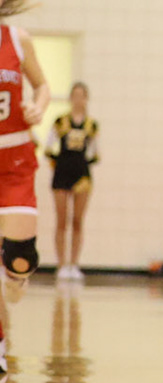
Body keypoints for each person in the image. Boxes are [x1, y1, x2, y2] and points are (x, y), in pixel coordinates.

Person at [0, 0, 51, 376]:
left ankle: (15, 279)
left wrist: (38, 105)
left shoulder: (18, 39)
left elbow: (43, 85)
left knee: (20, 260)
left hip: (15, 159)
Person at [45, 82, 98, 282]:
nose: (78, 99)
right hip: (62, 173)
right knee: (61, 220)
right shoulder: (61, 121)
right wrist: (59, 163)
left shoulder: (91, 125)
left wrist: (83, 163)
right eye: (74, 95)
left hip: (82, 175)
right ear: (70, 98)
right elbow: (48, 147)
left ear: (86, 99)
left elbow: (96, 153)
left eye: (81, 95)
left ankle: (74, 264)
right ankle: (61, 265)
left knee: (77, 221)